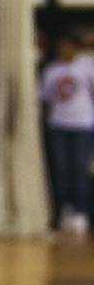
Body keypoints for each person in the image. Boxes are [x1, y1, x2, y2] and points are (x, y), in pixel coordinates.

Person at [40, 32, 94, 234]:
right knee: (61, 169)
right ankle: (65, 210)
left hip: (83, 124)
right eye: (61, 46)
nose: (65, 50)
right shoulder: (52, 70)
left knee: (79, 169)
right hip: (59, 125)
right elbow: (45, 98)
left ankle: (81, 211)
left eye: (68, 46)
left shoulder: (86, 66)